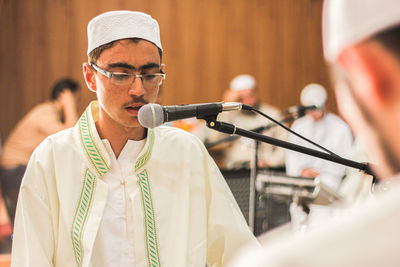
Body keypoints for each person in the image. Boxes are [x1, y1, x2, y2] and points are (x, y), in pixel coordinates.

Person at [11, 11, 259, 267]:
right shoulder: (52, 158)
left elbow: (239, 253)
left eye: (150, 75)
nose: (138, 90)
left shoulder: (186, 151)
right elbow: (31, 259)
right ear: (89, 76)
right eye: (120, 75)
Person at [228, 0, 400, 266]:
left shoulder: (291, 261)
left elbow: (344, 165)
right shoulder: (299, 126)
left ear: (371, 76)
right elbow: (293, 159)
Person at [0, 78, 80, 224]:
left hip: (19, 167)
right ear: (64, 95)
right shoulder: (45, 112)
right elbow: (70, 135)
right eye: (75, 98)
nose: (76, 102)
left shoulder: (50, 113)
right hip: (14, 168)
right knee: (48, 202)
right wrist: (69, 105)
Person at [206, 74, 286, 170]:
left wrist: (271, 163)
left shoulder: (272, 114)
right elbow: (215, 140)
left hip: (265, 168)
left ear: (257, 93)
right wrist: (226, 106)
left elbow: (285, 146)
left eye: (251, 96)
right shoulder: (230, 115)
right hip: (235, 169)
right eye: (241, 98)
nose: (248, 102)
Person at [286, 83, 353, 191]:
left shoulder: (340, 127)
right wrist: (301, 171)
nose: (314, 113)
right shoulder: (298, 126)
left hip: (329, 183)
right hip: (302, 181)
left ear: (326, 103)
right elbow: (292, 155)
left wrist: (320, 173)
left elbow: (345, 160)